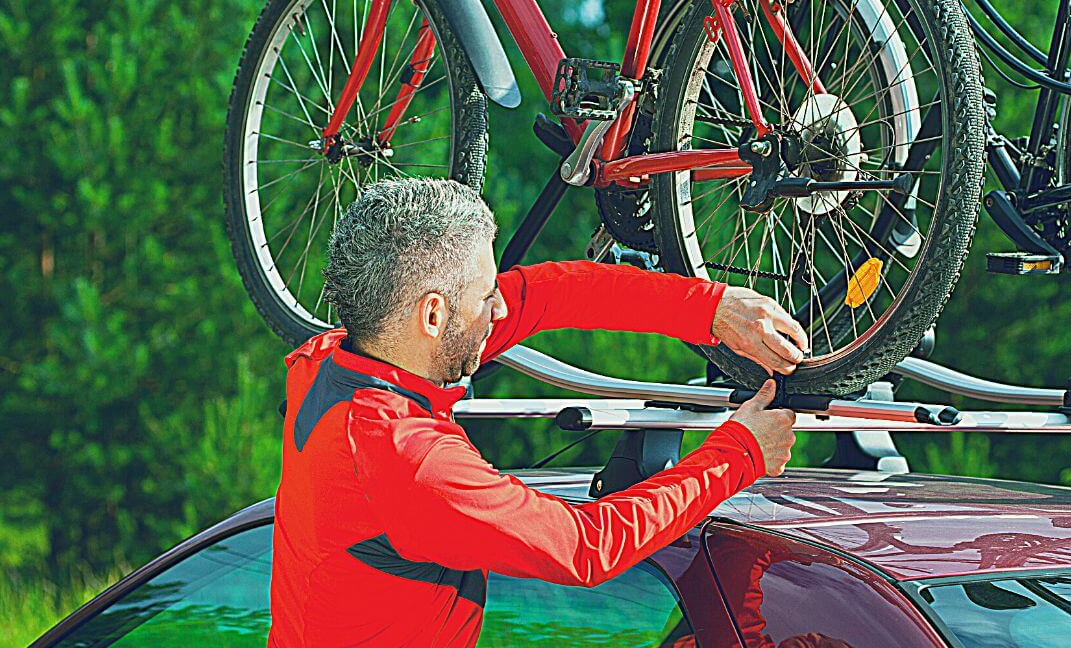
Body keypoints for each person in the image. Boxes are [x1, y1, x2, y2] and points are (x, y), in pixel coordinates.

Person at [268, 177, 807, 647]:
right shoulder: (408, 462)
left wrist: (711, 308)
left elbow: (541, 295)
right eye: (485, 296)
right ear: (432, 315)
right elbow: (585, 547)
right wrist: (740, 454)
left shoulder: (327, 364)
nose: (500, 307)